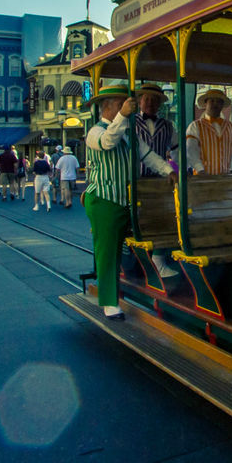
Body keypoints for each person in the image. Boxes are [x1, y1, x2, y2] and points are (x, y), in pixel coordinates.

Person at [83, 81, 139, 319]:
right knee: (107, 252)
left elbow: (146, 153)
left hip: (124, 201)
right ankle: (108, 302)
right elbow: (107, 142)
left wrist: (168, 170)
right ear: (107, 107)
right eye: (119, 103)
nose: (124, 107)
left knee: (121, 249)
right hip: (103, 199)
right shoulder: (94, 131)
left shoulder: (126, 133)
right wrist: (124, 116)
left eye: (125, 103)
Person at [184, 88, 232, 175]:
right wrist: (200, 169)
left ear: (222, 105)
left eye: (219, 102)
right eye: (212, 101)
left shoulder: (231, 127)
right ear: (205, 103)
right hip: (202, 180)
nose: (215, 104)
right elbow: (191, 151)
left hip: (225, 179)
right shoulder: (195, 126)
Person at [56, 143, 81, 207]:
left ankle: (67, 202)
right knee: (71, 190)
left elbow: (57, 168)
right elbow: (77, 167)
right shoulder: (74, 158)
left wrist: (57, 176)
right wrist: (77, 175)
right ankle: (70, 201)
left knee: (66, 190)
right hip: (72, 176)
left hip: (64, 177)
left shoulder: (62, 158)